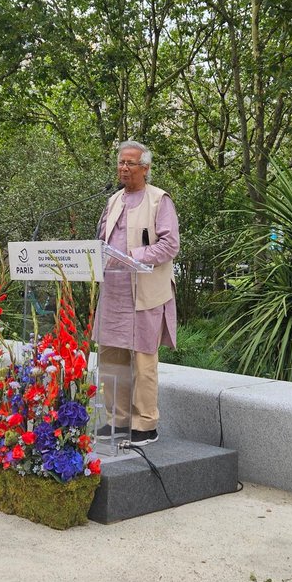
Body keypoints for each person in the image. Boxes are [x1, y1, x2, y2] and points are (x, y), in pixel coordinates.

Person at [96, 140, 180, 444]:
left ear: (145, 168)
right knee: (110, 360)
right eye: (120, 162)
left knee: (144, 361)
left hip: (145, 293)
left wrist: (135, 256)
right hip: (114, 293)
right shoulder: (113, 200)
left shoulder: (159, 200)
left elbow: (170, 245)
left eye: (130, 163)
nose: (123, 168)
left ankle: (145, 424)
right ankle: (116, 420)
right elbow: (101, 242)